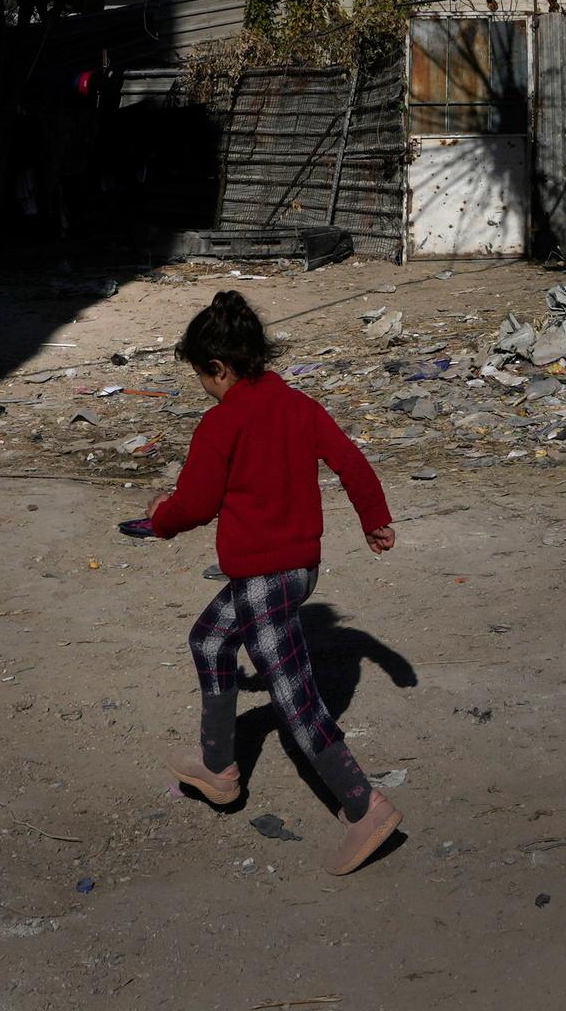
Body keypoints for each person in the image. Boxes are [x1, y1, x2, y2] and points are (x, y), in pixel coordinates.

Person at [119, 289, 402, 875]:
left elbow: (196, 503)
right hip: (297, 571)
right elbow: (351, 460)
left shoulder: (222, 424)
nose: (202, 386)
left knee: (295, 698)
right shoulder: (300, 406)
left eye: (201, 375)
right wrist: (374, 520)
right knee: (209, 639)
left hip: (263, 578)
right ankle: (219, 768)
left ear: (218, 368)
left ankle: (363, 804)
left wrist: (160, 517)